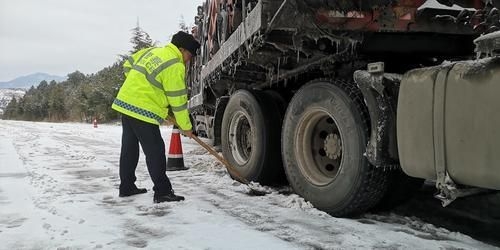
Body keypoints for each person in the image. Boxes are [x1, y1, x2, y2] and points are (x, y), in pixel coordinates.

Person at [111, 31, 200, 203]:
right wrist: (186, 127)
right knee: (156, 151)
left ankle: (127, 186)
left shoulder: (151, 51)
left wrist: (139, 85)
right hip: (142, 109)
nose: (189, 60)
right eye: (190, 55)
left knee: (129, 148)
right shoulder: (175, 64)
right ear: (181, 50)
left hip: (126, 102)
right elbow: (178, 101)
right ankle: (162, 192)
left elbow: (127, 65)